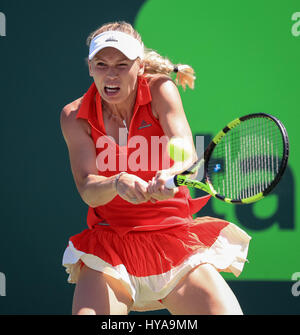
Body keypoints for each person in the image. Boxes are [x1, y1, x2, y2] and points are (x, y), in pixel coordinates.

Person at [60, 21, 251, 315]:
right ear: (89, 66)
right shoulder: (74, 116)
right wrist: (117, 182)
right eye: (101, 64)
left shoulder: (161, 89)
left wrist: (173, 171)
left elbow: (184, 146)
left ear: (139, 66)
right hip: (109, 253)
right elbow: (88, 187)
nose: (111, 73)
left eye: (122, 64)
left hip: (175, 241)